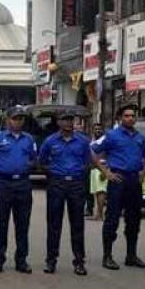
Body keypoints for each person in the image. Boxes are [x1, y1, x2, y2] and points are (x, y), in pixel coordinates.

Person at [92, 104, 145, 270]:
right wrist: (106, 172)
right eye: (126, 116)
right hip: (118, 180)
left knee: (134, 220)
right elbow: (92, 150)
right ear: (120, 118)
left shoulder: (140, 137)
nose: (130, 118)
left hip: (134, 181)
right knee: (112, 219)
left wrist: (143, 174)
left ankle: (131, 255)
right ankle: (107, 256)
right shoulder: (111, 135)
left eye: (133, 116)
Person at [38, 110, 92, 275]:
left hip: (76, 184)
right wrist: (54, 173)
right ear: (58, 122)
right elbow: (42, 162)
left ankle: (79, 261)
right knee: (54, 224)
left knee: (77, 224)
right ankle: (51, 260)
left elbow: (87, 161)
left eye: (70, 120)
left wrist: (79, 173)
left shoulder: (82, 141)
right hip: (57, 184)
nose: (68, 123)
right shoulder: (50, 141)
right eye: (64, 120)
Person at [0, 106, 36, 274]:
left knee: (22, 224)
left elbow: (33, 158)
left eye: (21, 118)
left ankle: (21, 259)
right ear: (8, 120)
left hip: (22, 184)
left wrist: (25, 166)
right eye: (15, 118)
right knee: (1, 223)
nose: (18, 121)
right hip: (3, 184)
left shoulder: (28, 139)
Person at [85, 124, 104, 216]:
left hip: (100, 168)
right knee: (90, 190)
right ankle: (90, 209)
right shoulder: (91, 140)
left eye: (99, 129)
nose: (97, 131)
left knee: (100, 191)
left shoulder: (104, 141)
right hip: (91, 168)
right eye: (95, 129)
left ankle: (99, 214)